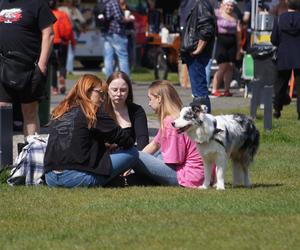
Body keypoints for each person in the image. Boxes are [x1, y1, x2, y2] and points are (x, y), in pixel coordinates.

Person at [44, 74, 139, 188]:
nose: (103, 99)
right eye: (100, 93)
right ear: (88, 91)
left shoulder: (62, 110)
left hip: (50, 178)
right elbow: (126, 140)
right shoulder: (93, 111)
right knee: (133, 153)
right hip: (77, 178)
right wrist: (126, 127)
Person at [0, 0, 56, 137]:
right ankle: (3, 153)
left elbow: (48, 34)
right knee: (2, 108)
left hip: (29, 67)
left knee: (29, 111)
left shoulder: (37, 3)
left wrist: (41, 65)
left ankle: (31, 153)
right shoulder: (2, 3)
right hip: (4, 66)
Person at [136, 80, 205, 187]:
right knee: (152, 154)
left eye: (150, 99)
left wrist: (134, 160)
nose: (149, 103)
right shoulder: (178, 116)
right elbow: (155, 144)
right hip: (199, 175)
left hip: (188, 176)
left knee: (134, 154)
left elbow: (175, 159)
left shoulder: (171, 122)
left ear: (159, 99)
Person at [179, 0, 216, 113]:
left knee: (199, 91)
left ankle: (203, 121)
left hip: (196, 53)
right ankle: (202, 119)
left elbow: (207, 29)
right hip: (194, 52)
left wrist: (198, 49)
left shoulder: (201, 4)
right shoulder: (196, 3)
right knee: (198, 90)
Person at [271, 0, 300, 119]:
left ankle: (277, 110)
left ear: (287, 5)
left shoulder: (279, 19)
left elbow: (274, 39)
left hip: (283, 55)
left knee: (280, 85)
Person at [105, 71, 149, 150]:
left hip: (130, 156)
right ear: (107, 90)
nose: (119, 94)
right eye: (114, 90)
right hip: (106, 157)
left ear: (129, 91)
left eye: (123, 90)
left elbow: (143, 140)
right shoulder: (100, 110)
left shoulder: (136, 111)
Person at [211, 0, 242, 97]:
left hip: (232, 42)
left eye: (231, 5)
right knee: (222, 66)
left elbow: (238, 33)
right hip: (221, 41)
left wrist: (238, 48)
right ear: (223, 5)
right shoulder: (217, 14)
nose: (229, 7)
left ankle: (227, 90)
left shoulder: (235, 16)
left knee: (230, 66)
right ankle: (214, 89)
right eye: (227, 5)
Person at [49, 0, 75, 95]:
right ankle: (62, 77)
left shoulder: (45, 14)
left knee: (53, 66)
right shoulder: (62, 14)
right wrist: (71, 41)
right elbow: (68, 29)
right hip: (62, 42)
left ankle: (54, 88)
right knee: (62, 64)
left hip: (50, 42)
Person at [102, 0, 131, 77]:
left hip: (107, 32)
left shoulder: (105, 2)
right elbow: (118, 17)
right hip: (116, 32)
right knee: (123, 56)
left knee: (108, 57)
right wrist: (127, 19)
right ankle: (125, 78)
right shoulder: (113, 2)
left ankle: (109, 78)